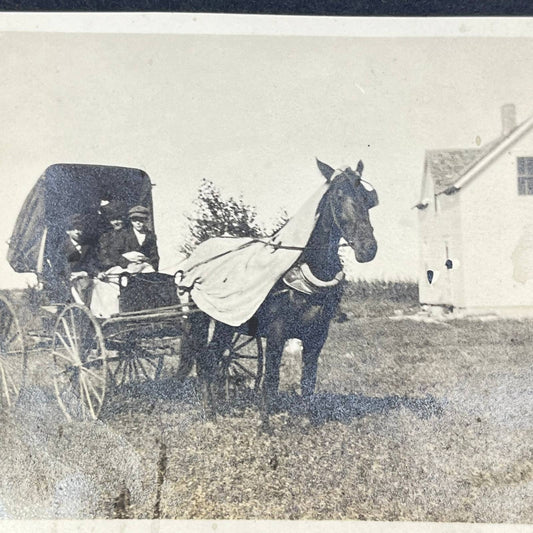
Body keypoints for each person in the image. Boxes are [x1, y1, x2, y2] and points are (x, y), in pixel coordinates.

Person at [64, 213, 98, 304]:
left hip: (85, 277)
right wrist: (71, 275)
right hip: (69, 280)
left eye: (79, 229)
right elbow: (61, 267)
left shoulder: (87, 247)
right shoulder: (63, 248)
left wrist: (86, 273)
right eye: (73, 229)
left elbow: (91, 264)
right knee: (82, 285)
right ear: (68, 231)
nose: (77, 232)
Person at [117, 205, 159, 272]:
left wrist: (149, 265)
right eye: (134, 220)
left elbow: (154, 256)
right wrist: (126, 263)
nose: (138, 223)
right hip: (127, 269)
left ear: (146, 220)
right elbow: (115, 254)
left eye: (141, 220)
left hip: (145, 268)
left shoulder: (150, 236)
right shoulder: (124, 235)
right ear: (131, 220)